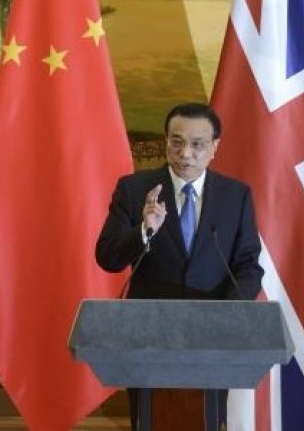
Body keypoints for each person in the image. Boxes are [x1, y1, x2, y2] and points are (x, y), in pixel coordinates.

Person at [96, 102, 264, 429]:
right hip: (148, 337)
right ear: (166, 141)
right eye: (176, 142)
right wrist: (144, 230)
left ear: (215, 147)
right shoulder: (133, 190)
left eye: (198, 144)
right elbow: (107, 258)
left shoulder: (236, 195)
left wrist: (228, 315)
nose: (185, 153)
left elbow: (248, 266)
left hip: (212, 338)